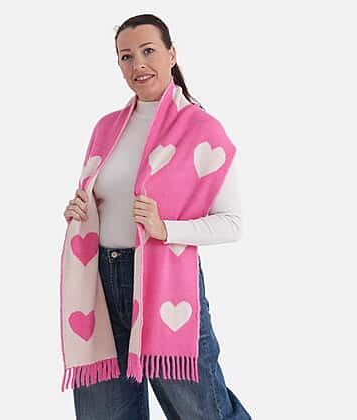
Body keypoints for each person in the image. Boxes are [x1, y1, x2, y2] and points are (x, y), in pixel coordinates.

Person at [63, 13, 252, 420]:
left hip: (164, 284)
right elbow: (100, 200)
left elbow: (233, 223)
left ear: (171, 54)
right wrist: (80, 211)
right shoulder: (106, 128)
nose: (138, 64)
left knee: (202, 412)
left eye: (148, 51)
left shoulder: (201, 129)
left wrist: (165, 229)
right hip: (99, 282)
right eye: (126, 56)